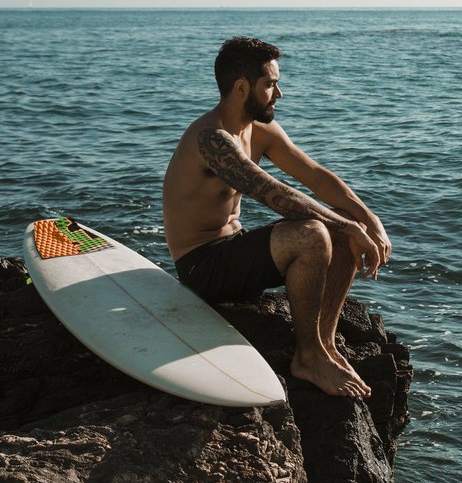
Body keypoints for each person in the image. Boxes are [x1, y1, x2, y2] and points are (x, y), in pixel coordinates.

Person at [162, 37, 392, 400]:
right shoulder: (211, 139)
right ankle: (308, 357)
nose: (279, 93)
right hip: (202, 268)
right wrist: (344, 226)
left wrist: (367, 218)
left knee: (343, 222)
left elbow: (315, 175)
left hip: (234, 252)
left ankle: (324, 344)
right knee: (315, 233)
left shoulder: (259, 129)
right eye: (270, 84)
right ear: (242, 88)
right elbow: (274, 194)